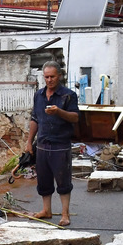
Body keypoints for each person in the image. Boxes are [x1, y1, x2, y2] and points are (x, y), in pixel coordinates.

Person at [25, 61, 79, 227]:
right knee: (44, 180)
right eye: (46, 77)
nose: (49, 80)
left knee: (63, 181)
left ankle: (65, 214)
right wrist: (29, 142)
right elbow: (35, 118)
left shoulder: (68, 95)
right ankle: (46, 210)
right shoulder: (39, 95)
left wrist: (59, 112)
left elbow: (75, 117)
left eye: (52, 76)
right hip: (42, 144)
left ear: (59, 76)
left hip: (60, 145)